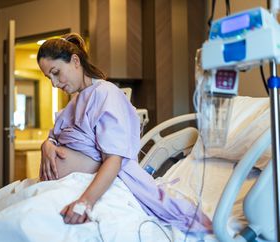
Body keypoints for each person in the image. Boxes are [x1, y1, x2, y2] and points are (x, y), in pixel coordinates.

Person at [37, 33, 212, 232]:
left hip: (92, 187)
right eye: (48, 77)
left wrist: (85, 203)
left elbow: (114, 159)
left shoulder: (105, 93)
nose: (53, 83)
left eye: (56, 72)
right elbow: (56, 134)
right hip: (63, 186)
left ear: (75, 61)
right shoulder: (77, 101)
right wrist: (48, 144)